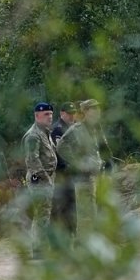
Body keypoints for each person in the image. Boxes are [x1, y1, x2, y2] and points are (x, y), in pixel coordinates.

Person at [56, 98, 108, 237]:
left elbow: (102, 149)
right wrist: (77, 163)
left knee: (96, 211)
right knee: (86, 212)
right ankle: (83, 244)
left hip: (97, 175)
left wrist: (105, 161)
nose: (97, 112)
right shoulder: (77, 129)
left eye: (98, 108)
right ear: (85, 111)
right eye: (93, 109)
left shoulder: (97, 128)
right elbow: (61, 146)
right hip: (83, 177)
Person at [22, 101, 57, 256]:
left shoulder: (45, 132)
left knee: (45, 213)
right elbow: (32, 160)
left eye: (50, 114)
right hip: (39, 179)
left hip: (48, 177)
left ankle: (41, 246)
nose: (50, 117)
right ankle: (38, 249)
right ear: (37, 116)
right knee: (41, 213)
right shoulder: (33, 135)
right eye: (46, 114)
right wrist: (45, 179)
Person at [50, 102, 78, 236]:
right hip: (62, 172)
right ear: (62, 113)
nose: (72, 116)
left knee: (71, 203)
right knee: (61, 204)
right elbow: (59, 152)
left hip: (73, 171)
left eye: (73, 113)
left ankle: (70, 232)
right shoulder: (58, 129)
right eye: (69, 113)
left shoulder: (74, 127)